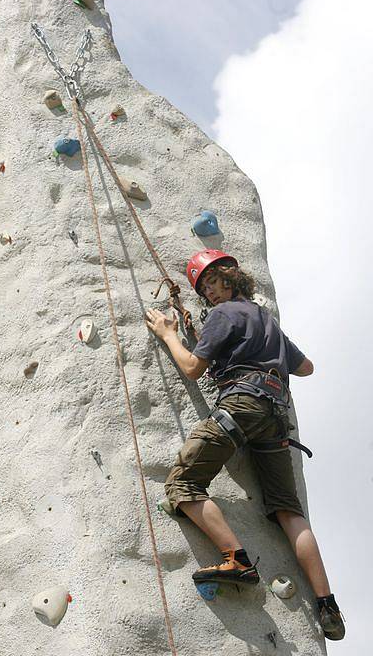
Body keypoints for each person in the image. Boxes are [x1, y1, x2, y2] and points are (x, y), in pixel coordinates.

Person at [145, 249, 345, 642]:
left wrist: (170, 333)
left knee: (182, 483)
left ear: (228, 277)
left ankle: (235, 559)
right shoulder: (263, 319)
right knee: (289, 511)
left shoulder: (224, 315)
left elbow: (191, 367)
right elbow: (305, 368)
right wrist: (259, 349)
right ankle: (327, 603)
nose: (209, 294)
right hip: (275, 416)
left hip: (241, 403)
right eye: (203, 290)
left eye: (211, 284)